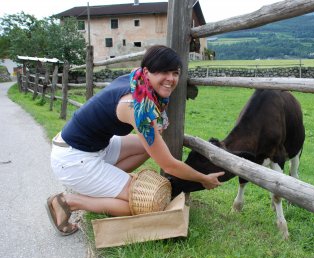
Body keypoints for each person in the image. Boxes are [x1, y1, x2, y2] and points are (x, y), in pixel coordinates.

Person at [46, 45, 224, 236]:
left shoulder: (137, 79)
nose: (171, 79)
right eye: (163, 72)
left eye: (175, 73)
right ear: (147, 72)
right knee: (141, 204)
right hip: (72, 159)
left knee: (147, 146)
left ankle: (105, 184)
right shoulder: (135, 106)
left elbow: (156, 144)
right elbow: (169, 166)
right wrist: (203, 179)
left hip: (91, 148)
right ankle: (68, 202)